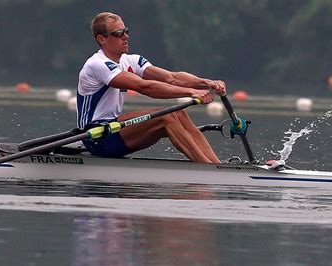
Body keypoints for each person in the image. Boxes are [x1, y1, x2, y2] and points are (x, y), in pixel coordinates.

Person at [77, 12, 226, 163]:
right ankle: (206, 167)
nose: (126, 36)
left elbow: (172, 78)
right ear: (102, 39)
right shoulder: (97, 64)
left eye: (126, 31)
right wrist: (192, 92)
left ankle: (216, 165)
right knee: (166, 116)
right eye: (118, 33)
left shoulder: (132, 60)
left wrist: (207, 83)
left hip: (113, 129)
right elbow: (145, 87)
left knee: (179, 113)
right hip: (96, 137)